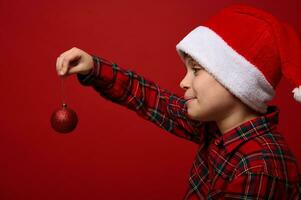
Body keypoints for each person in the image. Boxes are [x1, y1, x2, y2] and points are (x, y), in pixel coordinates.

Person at [56, 4, 301, 199]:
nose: (183, 82)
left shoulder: (258, 168)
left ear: (236, 82)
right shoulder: (216, 127)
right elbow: (152, 100)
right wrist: (94, 67)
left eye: (195, 70)